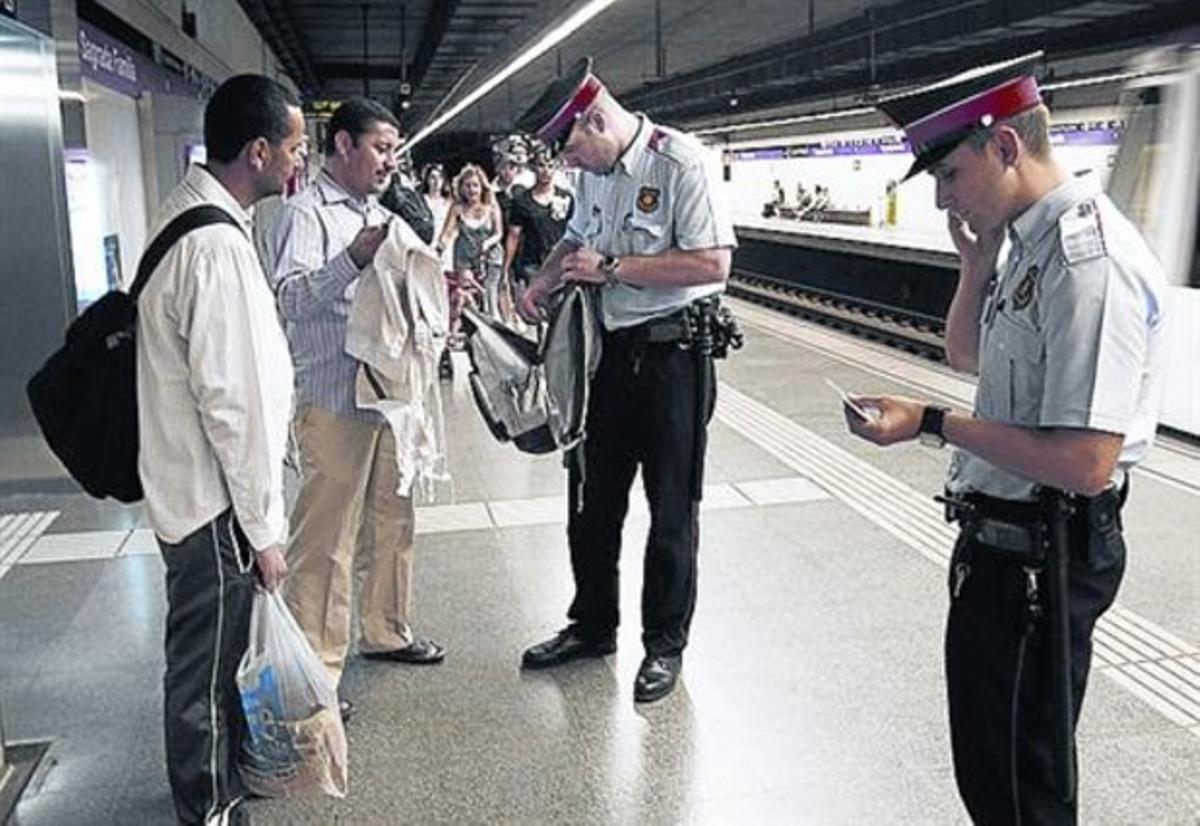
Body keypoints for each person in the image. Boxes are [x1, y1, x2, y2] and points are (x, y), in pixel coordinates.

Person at [846, 52, 1165, 822]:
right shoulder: (1027, 241)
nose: (943, 195)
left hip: (1044, 557)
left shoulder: (1086, 261)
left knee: (1025, 787)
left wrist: (928, 422)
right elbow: (969, 356)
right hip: (1003, 549)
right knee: (991, 770)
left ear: (1005, 147)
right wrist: (976, 266)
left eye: (950, 174)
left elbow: (1089, 463)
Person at [514, 57, 738, 703]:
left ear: (595, 119)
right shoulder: (595, 174)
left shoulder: (680, 163)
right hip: (605, 358)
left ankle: (664, 646)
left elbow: (711, 261)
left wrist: (613, 266)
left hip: (673, 362)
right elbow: (575, 238)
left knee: (671, 510)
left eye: (572, 150)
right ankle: (592, 625)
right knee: (591, 502)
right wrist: (542, 280)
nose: (572, 167)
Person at [136, 74, 305, 825]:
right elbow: (235, 405)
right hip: (212, 505)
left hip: (194, 490)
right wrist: (264, 531)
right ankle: (207, 808)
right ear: (259, 150)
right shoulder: (215, 247)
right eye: (294, 148)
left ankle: (222, 786)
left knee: (214, 660)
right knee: (204, 672)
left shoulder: (193, 217)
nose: (297, 164)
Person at [266, 97, 446, 715]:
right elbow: (288, 300)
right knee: (326, 541)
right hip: (334, 398)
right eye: (380, 147)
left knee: (393, 521)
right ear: (343, 145)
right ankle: (314, 675)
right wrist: (354, 258)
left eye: (394, 150)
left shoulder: (378, 209)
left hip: (389, 395)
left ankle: (386, 630)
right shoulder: (304, 214)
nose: (390, 161)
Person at [503, 143, 575, 318]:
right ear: (534, 168)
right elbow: (514, 236)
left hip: (560, 260)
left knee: (561, 310)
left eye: (550, 166)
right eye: (542, 165)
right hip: (532, 262)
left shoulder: (565, 197)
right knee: (536, 309)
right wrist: (506, 269)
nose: (546, 171)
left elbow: (575, 231)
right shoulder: (522, 201)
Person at [436, 163, 504, 320]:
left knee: (489, 296)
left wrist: (488, 243)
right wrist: (440, 247)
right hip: (464, 258)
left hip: (489, 256)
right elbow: (447, 233)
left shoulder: (491, 206)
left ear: (481, 187)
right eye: (467, 186)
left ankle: (494, 323)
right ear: (461, 188)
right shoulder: (457, 208)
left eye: (475, 185)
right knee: (465, 295)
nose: (471, 190)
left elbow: (499, 233)